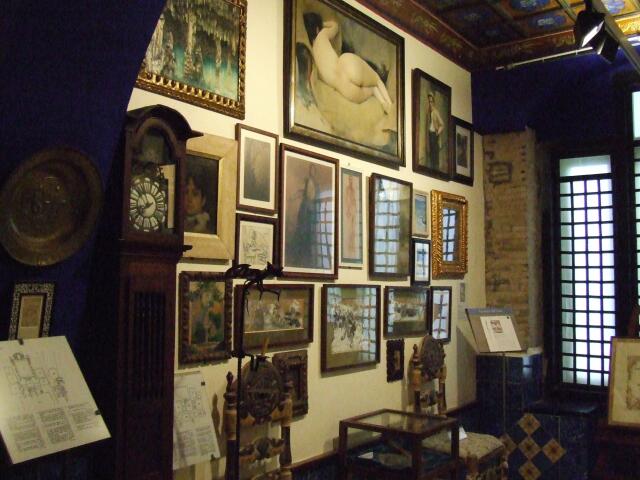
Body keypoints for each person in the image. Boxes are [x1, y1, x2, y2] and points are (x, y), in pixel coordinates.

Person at [303, 12, 393, 114]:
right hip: (345, 65)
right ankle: (389, 103)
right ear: (317, 29)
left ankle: (383, 104)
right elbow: (335, 26)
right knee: (376, 79)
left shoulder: (313, 54)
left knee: (372, 89)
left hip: (345, 89)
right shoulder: (321, 35)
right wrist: (322, 24)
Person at [185, 164, 214, 234]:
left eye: (195, 194)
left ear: (203, 200)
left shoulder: (209, 227)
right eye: (185, 192)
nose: (189, 199)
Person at [426, 93, 444, 168]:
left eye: (431, 102)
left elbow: (442, 124)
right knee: (431, 153)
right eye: (429, 102)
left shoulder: (436, 112)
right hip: (430, 134)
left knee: (435, 153)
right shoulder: (428, 112)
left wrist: (437, 133)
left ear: (433, 102)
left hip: (434, 134)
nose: (430, 104)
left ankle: (435, 168)